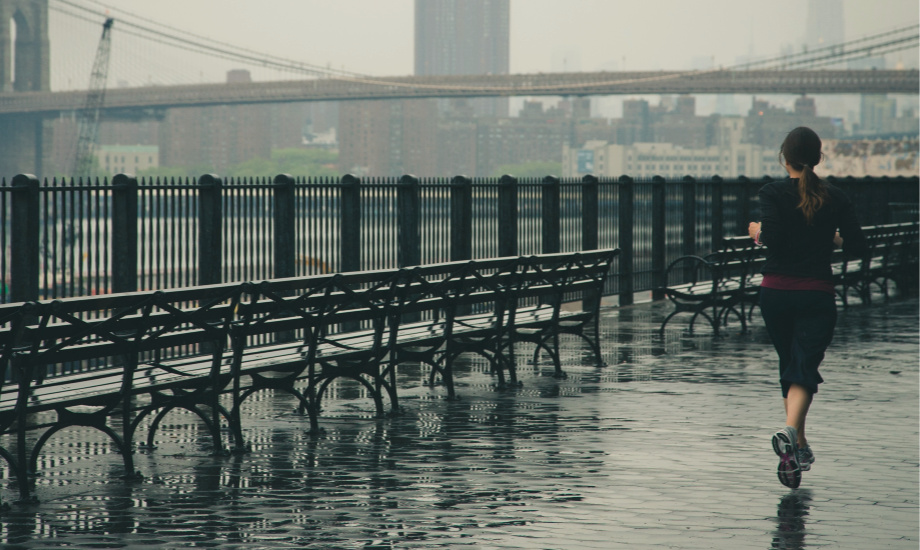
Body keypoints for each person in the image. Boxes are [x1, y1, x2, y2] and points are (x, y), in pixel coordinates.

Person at [747, 126, 866, 489]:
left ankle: (798, 444)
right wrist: (831, 236)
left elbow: (777, 239)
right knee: (803, 366)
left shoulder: (772, 192)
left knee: (792, 365)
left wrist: (757, 232)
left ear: (785, 158)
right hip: (817, 294)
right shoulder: (836, 197)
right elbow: (858, 247)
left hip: (776, 292)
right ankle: (792, 437)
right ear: (817, 157)